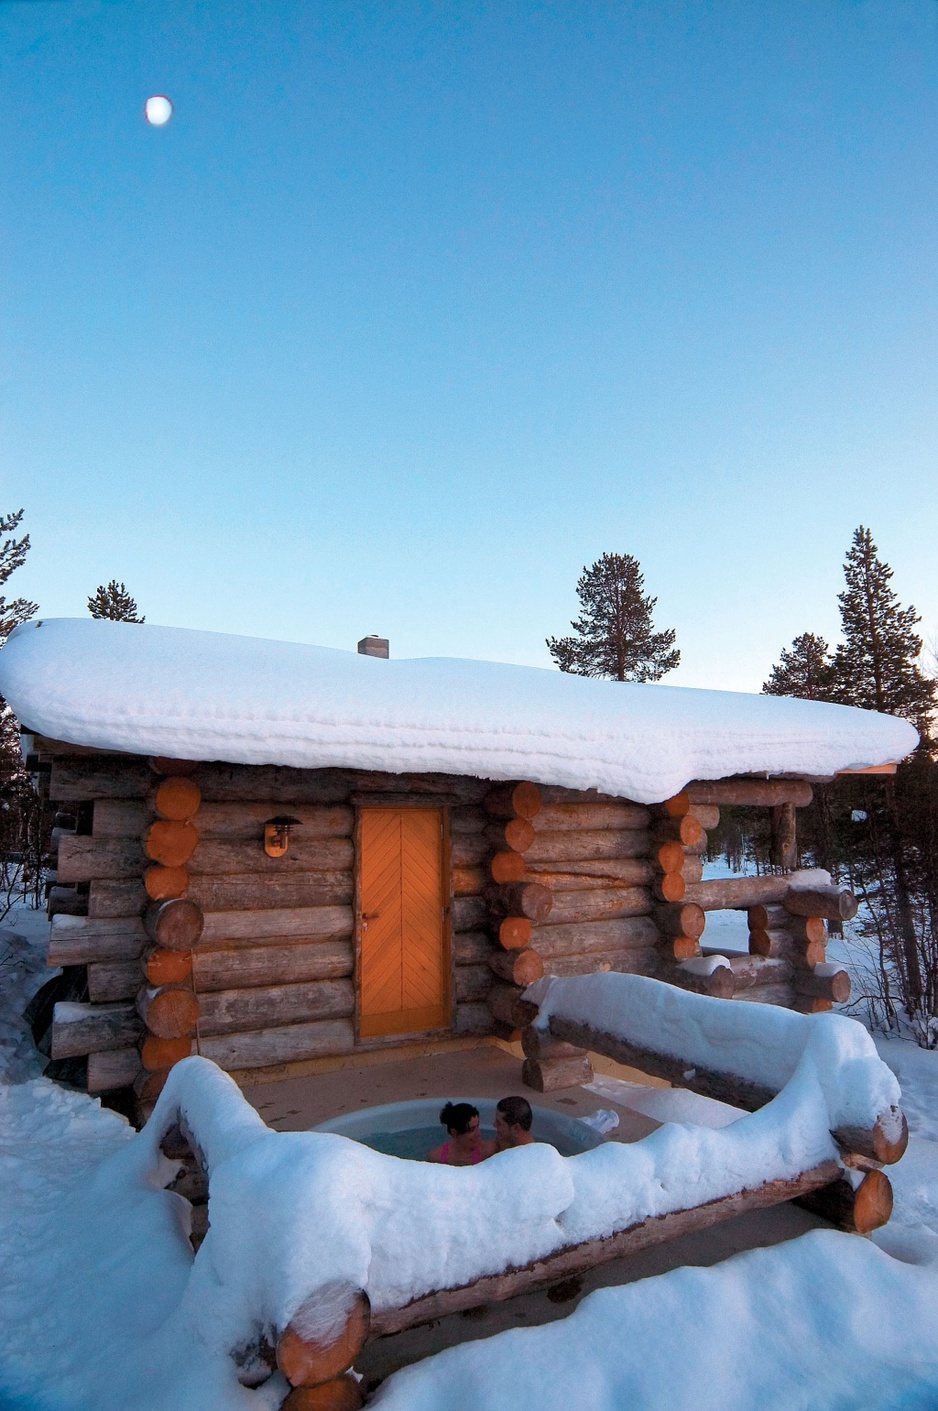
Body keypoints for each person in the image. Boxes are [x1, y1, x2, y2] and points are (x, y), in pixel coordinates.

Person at [429, 1101, 497, 1165]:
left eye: (478, 1126)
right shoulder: (436, 1158)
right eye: (472, 1130)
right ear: (454, 1133)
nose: (478, 1134)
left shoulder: (488, 1152)